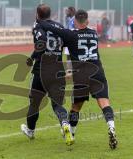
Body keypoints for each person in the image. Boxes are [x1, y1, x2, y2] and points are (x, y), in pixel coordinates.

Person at [38, 9, 118, 149]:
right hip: (97, 71)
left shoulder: (71, 35)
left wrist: (39, 21)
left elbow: (51, 29)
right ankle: (111, 127)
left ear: (75, 21)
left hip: (81, 74)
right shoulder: (94, 34)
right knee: (104, 102)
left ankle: (72, 133)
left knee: (76, 107)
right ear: (87, 21)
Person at [21, 4, 74, 146]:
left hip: (41, 70)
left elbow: (42, 42)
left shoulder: (38, 25)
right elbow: (68, 43)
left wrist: (32, 58)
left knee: (34, 103)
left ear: (37, 14)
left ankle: (31, 130)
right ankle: (65, 124)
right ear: (50, 14)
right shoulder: (60, 26)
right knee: (57, 105)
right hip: (57, 69)